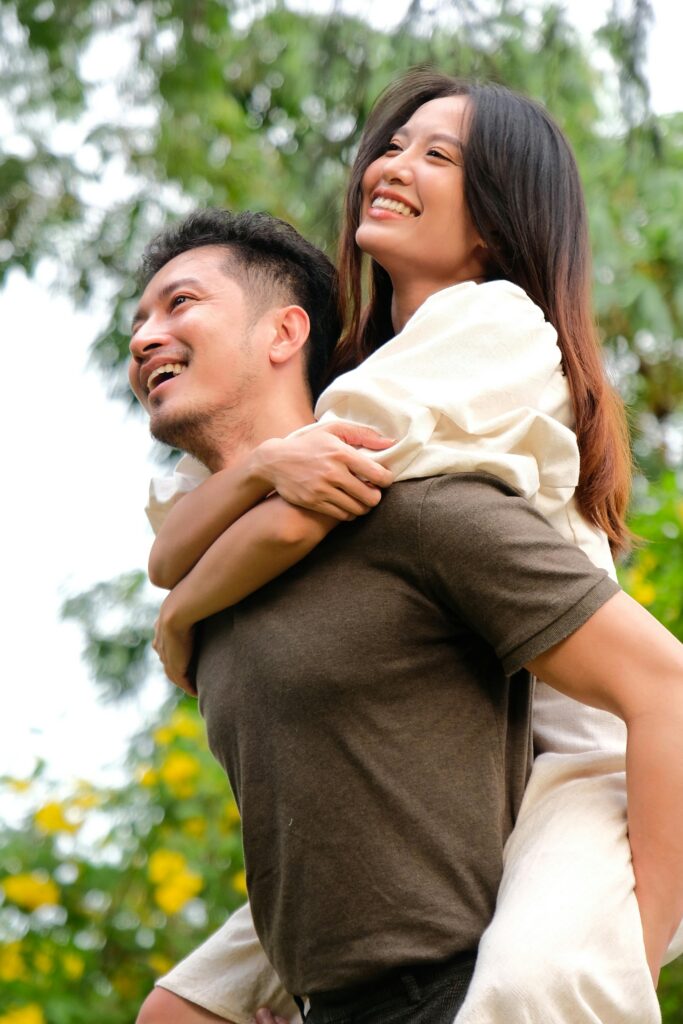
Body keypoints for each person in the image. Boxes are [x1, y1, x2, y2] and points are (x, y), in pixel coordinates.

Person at [132, 75, 683, 1023]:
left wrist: (182, 613)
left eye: (438, 154)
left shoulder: (489, 327)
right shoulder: (376, 372)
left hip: (577, 759)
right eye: (393, 145)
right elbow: (171, 548)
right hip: (462, 783)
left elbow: (302, 515)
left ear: (495, 222)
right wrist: (230, 523)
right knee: (180, 1009)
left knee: (530, 988)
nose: (392, 164)